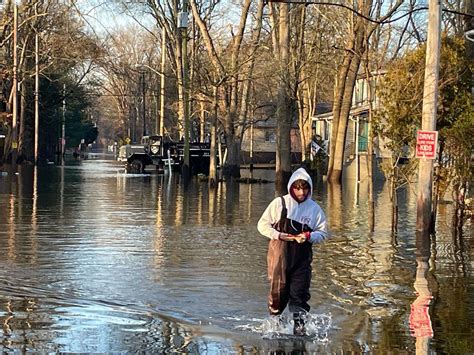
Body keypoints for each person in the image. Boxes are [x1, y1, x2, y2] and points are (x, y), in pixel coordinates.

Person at [257, 167, 328, 336]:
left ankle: (299, 327)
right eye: (298, 188)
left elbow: (323, 233)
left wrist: (309, 236)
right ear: (292, 187)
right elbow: (262, 225)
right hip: (279, 256)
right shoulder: (279, 204)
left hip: (302, 259)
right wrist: (280, 235)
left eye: (305, 188)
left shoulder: (314, 209)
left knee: (300, 292)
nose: (301, 192)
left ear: (309, 188)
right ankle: (275, 325)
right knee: (278, 292)